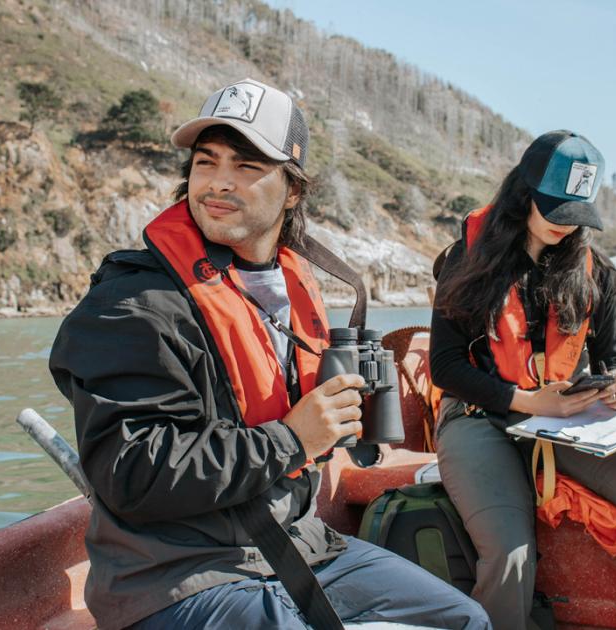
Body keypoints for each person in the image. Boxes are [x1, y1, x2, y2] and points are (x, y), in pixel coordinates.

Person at [49, 77, 489, 630]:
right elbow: (132, 472)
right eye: (206, 163)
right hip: (176, 572)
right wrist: (293, 438)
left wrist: (333, 426)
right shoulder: (132, 304)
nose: (218, 184)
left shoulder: (292, 289)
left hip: (299, 544)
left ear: (293, 189)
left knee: (463, 620)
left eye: (247, 168)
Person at [430, 130, 616, 630]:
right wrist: (527, 401)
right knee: (510, 552)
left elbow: (615, 361)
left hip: (566, 419)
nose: (565, 227)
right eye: (555, 211)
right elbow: (445, 367)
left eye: (576, 215)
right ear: (523, 194)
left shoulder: (602, 275)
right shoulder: (465, 261)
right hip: (479, 416)